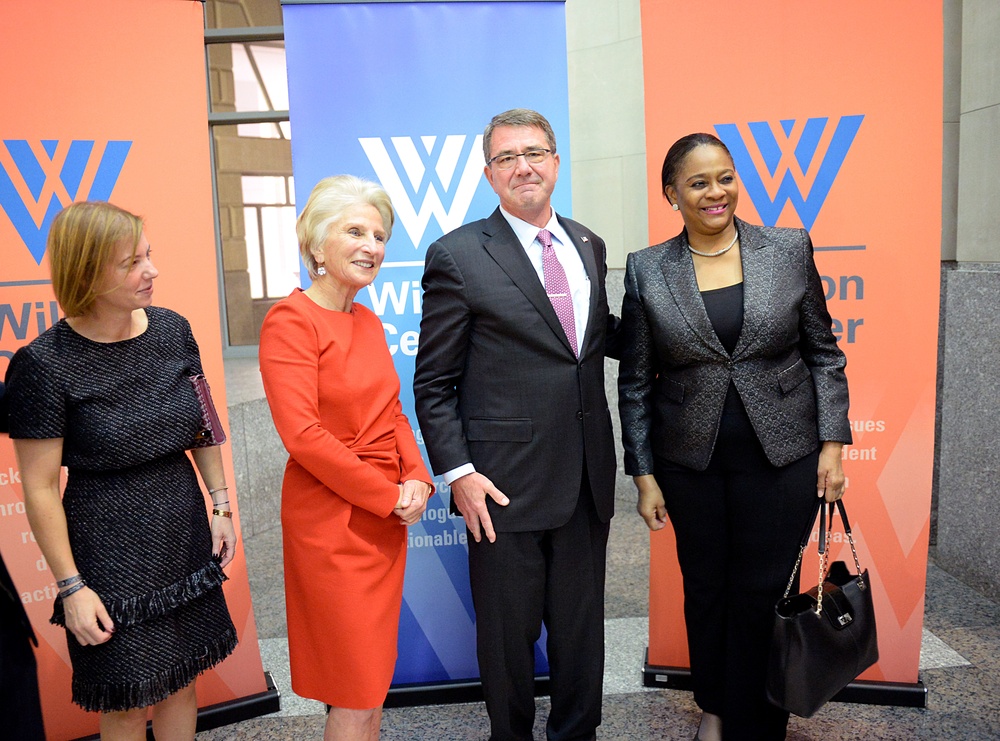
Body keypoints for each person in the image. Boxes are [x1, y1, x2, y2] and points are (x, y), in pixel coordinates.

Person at [618, 133, 852, 741]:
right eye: (698, 183)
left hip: (784, 457)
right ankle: (717, 706)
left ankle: (761, 714)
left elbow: (824, 354)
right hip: (689, 463)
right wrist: (642, 474)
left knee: (763, 591)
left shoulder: (788, 248)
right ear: (673, 195)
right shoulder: (648, 268)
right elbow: (638, 379)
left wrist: (833, 445)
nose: (715, 192)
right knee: (707, 588)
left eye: (724, 177)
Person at [413, 108, 619, 741]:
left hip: (586, 479)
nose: (523, 166)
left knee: (583, 639)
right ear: (488, 175)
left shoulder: (588, 244)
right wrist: (461, 475)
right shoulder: (457, 255)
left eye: (534, 153)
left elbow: (594, 343)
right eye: (506, 158)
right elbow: (434, 383)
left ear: (555, 162)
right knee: (507, 645)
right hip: (501, 489)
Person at [4, 201, 238, 740]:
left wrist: (220, 504)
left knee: (182, 679)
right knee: (129, 700)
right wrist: (71, 586)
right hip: (107, 549)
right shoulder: (44, 364)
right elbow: (39, 487)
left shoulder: (173, 330)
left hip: (181, 527)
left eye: (148, 256)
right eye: (132, 263)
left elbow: (203, 421)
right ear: (86, 272)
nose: (151, 271)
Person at [258, 175, 432, 741]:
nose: (372, 246)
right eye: (355, 231)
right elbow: (303, 437)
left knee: (372, 683)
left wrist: (418, 479)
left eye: (379, 236)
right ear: (316, 244)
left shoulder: (368, 320)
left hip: (383, 521)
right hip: (332, 524)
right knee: (353, 690)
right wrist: (387, 497)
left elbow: (394, 414)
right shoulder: (290, 321)